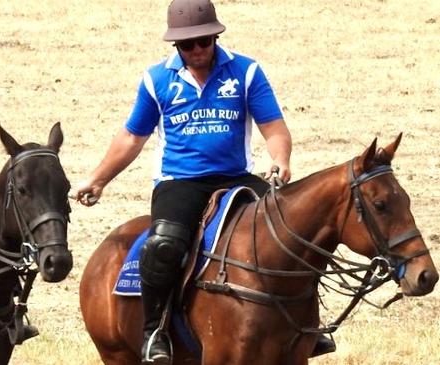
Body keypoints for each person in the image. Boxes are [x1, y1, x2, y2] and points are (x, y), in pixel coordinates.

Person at [74, 0, 335, 363]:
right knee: (164, 245)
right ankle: (155, 332)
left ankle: (307, 326)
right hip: (180, 182)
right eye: (187, 45)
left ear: (215, 36)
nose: (197, 50)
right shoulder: (158, 79)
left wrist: (280, 160)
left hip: (237, 178)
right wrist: (98, 180)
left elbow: (273, 127)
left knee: (290, 232)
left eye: (203, 42)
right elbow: (132, 137)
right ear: (175, 46)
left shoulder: (245, 71)